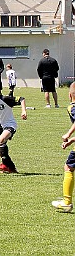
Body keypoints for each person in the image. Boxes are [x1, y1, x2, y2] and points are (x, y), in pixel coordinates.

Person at [52, 82, 75, 212]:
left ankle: (67, 202)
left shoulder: (72, 107)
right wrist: (72, 140)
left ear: (69, 95)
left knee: (69, 167)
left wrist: (68, 134)